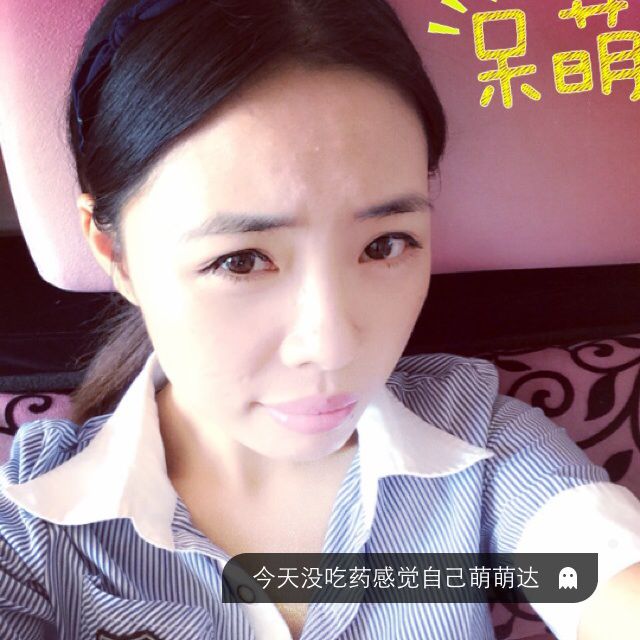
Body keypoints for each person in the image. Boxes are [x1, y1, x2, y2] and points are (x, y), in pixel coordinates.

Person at [1, 0, 639, 638]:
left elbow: (597, 576)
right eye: (241, 260)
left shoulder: (485, 447)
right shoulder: (31, 523)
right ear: (114, 252)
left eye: (385, 245)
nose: (333, 348)